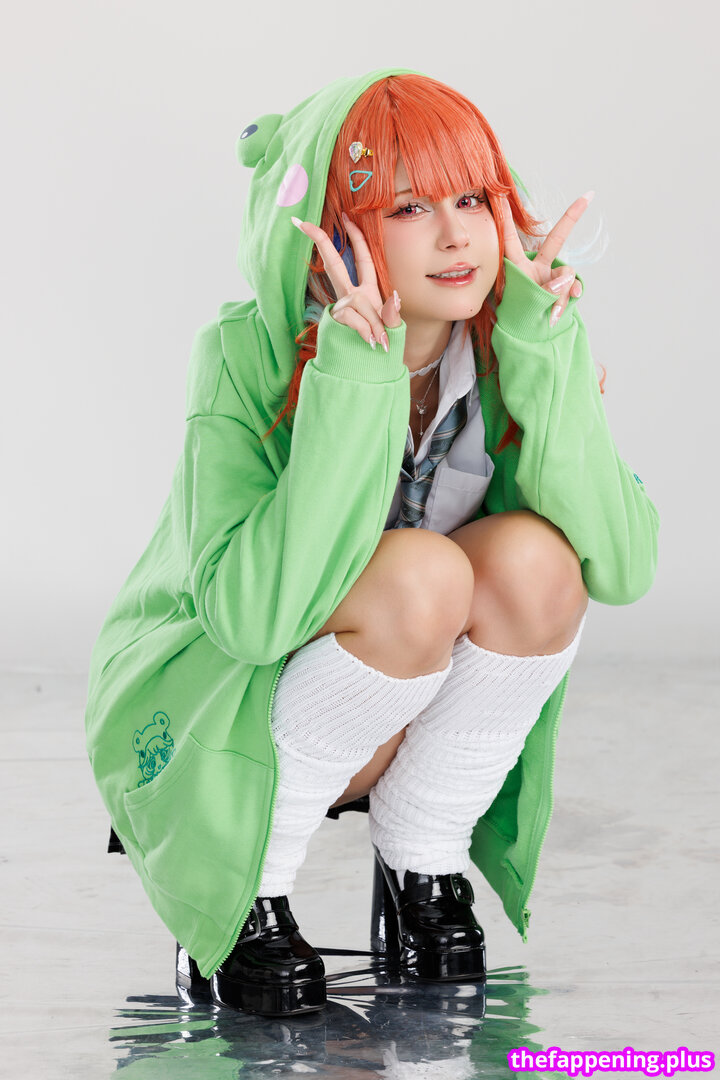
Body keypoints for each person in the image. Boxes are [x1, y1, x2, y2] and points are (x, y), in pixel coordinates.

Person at [85, 68, 659, 1018]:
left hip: (394, 704)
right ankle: (241, 900)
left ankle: (423, 863)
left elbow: (623, 568)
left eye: (472, 198)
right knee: (422, 574)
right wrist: (354, 378)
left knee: (538, 563)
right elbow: (252, 619)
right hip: (219, 705)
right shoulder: (243, 355)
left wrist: (547, 352)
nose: (456, 235)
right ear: (328, 232)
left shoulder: (513, 342)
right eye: (407, 207)